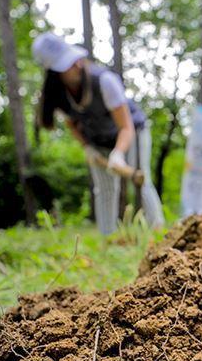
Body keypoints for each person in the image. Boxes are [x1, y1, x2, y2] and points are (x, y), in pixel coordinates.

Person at [32, 32, 145, 235]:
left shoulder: (105, 81)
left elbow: (126, 126)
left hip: (131, 131)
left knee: (143, 184)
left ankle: (158, 232)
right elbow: (73, 124)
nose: (76, 64)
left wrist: (118, 154)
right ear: (54, 72)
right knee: (105, 189)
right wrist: (87, 148)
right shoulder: (59, 95)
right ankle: (107, 238)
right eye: (66, 64)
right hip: (97, 139)